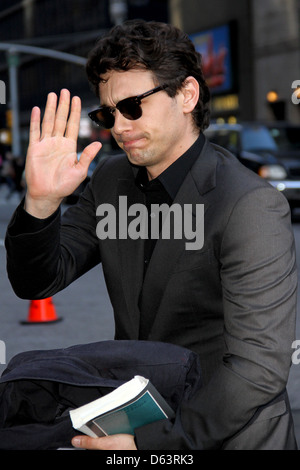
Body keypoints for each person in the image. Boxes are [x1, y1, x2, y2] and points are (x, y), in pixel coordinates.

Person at [5, 20, 298, 450]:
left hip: (227, 436)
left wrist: (149, 445)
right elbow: (37, 281)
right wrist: (41, 202)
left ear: (187, 95)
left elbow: (256, 371)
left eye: (133, 106)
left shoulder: (248, 204)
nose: (119, 127)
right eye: (108, 113)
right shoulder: (109, 180)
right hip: (139, 418)